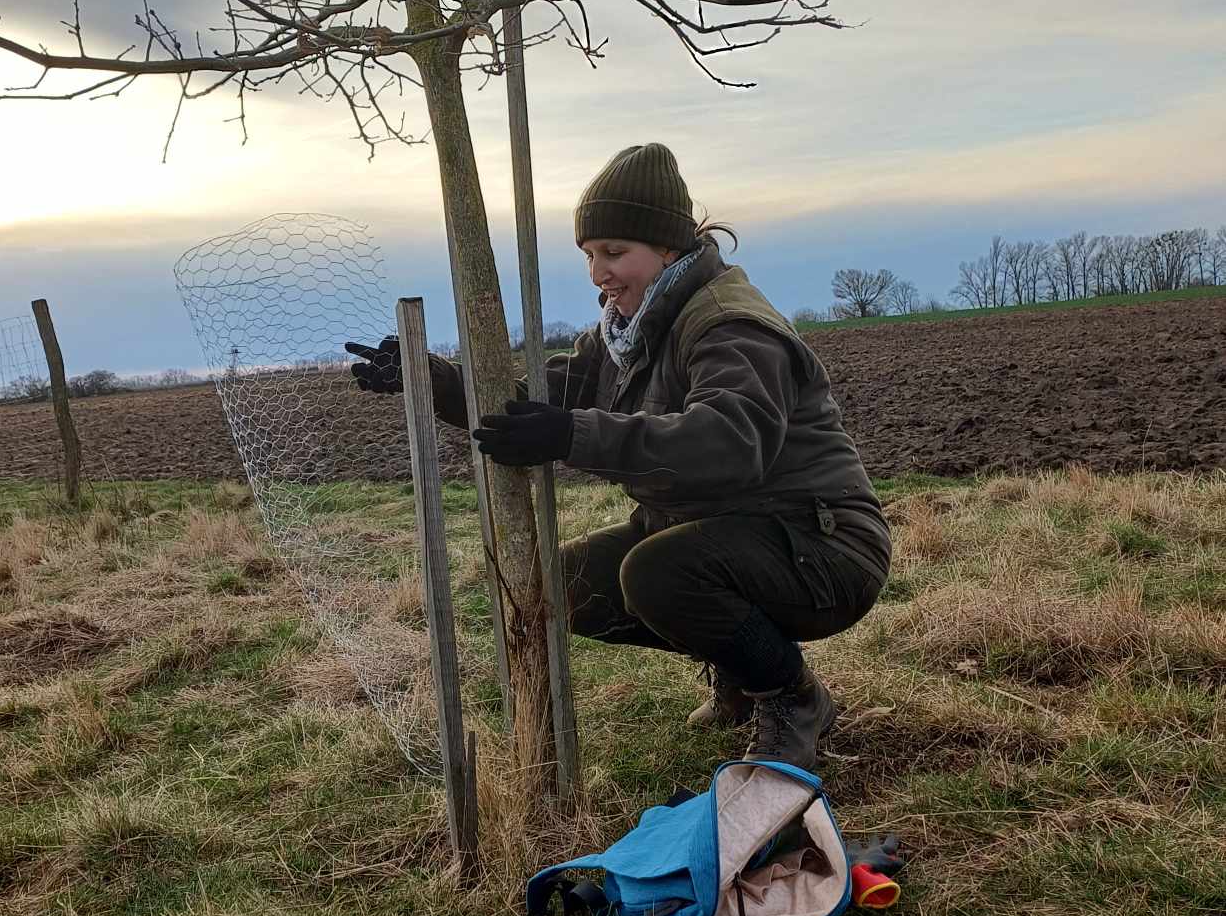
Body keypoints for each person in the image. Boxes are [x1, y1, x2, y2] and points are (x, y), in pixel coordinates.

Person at [346, 142, 890, 768]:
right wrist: (432, 378)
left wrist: (574, 435)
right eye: (589, 255)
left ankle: (792, 697)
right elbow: (532, 402)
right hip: (723, 531)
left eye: (613, 252)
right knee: (564, 583)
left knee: (658, 573)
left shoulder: (729, 324)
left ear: (668, 248)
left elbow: (727, 445)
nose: (597, 273)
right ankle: (742, 669)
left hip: (821, 544)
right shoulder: (625, 332)